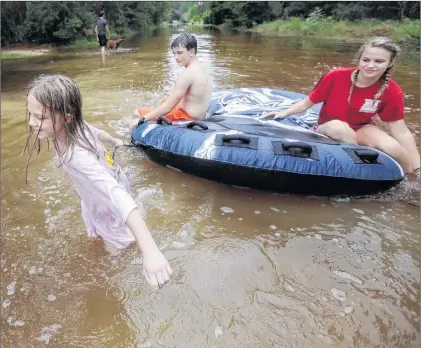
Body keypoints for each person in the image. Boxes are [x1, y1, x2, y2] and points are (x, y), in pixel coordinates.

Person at [24, 74, 172, 288]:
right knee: (95, 235)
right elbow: (99, 133)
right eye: (30, 114)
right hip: (103, 186)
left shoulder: (77, 157)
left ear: (67, 117)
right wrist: (115, 142)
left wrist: (150, 251)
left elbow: (116, 195)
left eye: (40, 117)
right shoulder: (76, 126)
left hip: (109, 199)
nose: (31, 122)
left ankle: (127, 271)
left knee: (115, 253)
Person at [265, 37, 420, 177]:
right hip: (328, 127)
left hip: (361, 128)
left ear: (390, 63)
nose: (370, 66)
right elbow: (307, 103)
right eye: (366, 60)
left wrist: (417, 167)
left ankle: (409, 180)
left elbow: (400, 130)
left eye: (379, 62)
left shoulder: (392, 90)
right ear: (359, 59)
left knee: (393, 148)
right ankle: (360, 165)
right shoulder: (335, 76)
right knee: (341, 129)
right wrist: (283, 113)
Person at [130, 33, 212, 130]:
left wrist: (142, 119)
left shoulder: (187, 74)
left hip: (184, 117)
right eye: (174, 53)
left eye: (179, 53)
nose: (176, 57)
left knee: (137, 112)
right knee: (164, 100)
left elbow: (168, 107)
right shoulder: (204, 71)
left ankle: (129, 141)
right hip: (200, 115)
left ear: (192, 51)